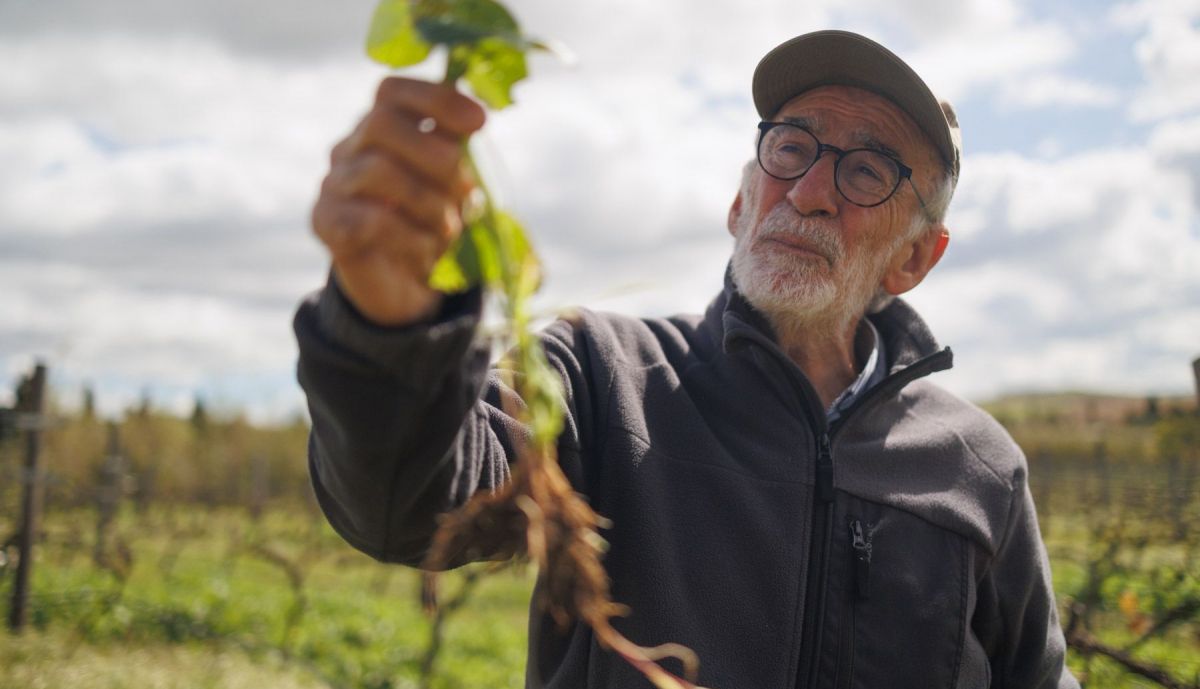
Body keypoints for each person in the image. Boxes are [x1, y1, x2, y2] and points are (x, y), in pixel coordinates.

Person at [295, 29, 1078, 689]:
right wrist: (388, 325)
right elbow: (409, 507)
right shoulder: (599, 374)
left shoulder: (979, 469)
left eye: (867, 171)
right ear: (742, 202)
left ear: (914, 258)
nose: (809, 190)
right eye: (791, 148)